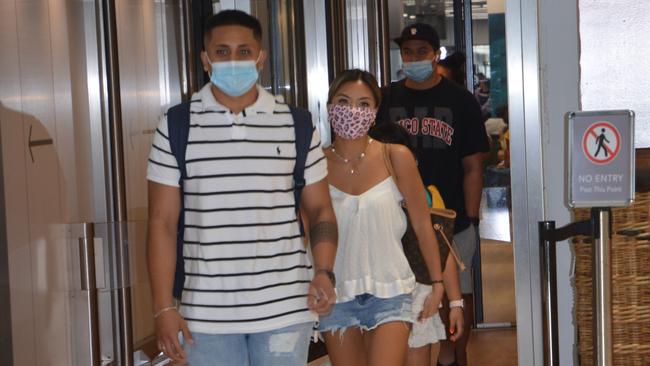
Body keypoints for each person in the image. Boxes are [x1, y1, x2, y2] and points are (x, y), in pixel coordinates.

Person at [145, 10, 337, 366]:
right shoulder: (176, 125)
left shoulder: (296, 125)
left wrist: (323, 271)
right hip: (204, 316)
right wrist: (162, 308)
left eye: (244, 51)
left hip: (285, 311)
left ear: (260, 58)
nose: (233, 60)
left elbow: (321, 209)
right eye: (222, 52)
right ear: (206, 59)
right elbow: (161, 222)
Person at [377, 23, 490, 366]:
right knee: (412, 294)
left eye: (421, 52)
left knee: (457, 295)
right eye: (408, 52)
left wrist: (469, 219)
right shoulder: (387, 98)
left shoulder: (461, 101)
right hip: (396, 219)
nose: (414, 58)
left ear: (436, 54)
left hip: (450, 216)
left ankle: (453, 356)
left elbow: (473, 165)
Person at [318, 69, 445, 366]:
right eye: (344, 101)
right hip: (336, 293)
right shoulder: (315, 163)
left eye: (363, 104)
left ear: (374, 113)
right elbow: (305, 229)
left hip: (391, 289)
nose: (353, 111)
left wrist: (437, 283)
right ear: (329, 107)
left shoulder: (395, 156)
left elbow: (422, 223)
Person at [370, 123, 465, 366]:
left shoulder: (427, 197)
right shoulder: (365, 201)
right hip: (374, 295)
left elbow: (444, 252)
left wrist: (455, 302)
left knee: (417, 356)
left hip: (420, 296)